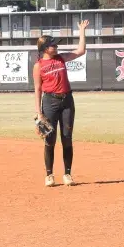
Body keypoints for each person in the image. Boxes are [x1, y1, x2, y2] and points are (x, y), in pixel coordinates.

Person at [33, 19, 89, 187]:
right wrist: (38, 113)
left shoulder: (61, 58)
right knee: (50, 139)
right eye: (53, 45)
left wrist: (82, 31)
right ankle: (49, 175)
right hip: (50, 102)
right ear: (45, 49)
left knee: (67, 138)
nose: (56, 47)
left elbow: (81, 51)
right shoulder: (39, 66)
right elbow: (38, 89)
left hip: (67, 101)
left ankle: (67, 174)